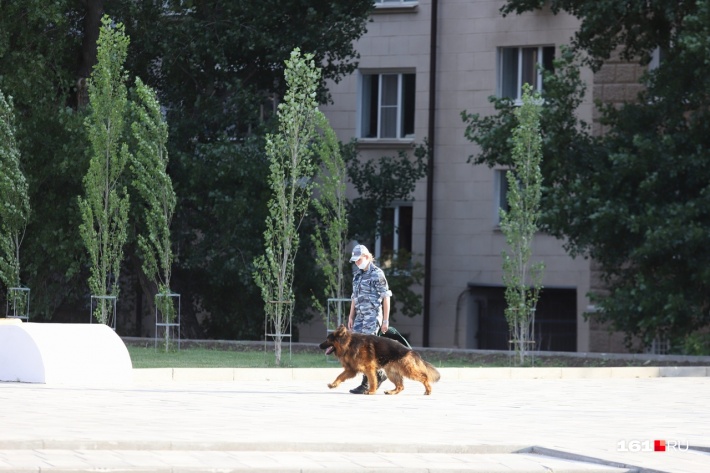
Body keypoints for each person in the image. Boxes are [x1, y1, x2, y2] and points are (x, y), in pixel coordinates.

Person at [347, 244, 392, 394]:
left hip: (372, 317)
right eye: (355, 261)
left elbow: (386, 297)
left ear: (366, 257)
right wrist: (351, 316)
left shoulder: (377, 274)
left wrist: (385, 321)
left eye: (358, 260)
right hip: (360, 317)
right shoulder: (357, 275)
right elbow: (354, 297)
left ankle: (367, 383)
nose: (357, 263)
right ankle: (379, 374)